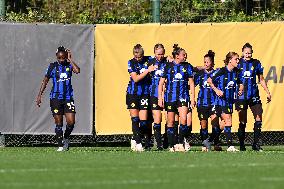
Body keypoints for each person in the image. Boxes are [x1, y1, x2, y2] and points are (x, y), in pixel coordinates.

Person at [36, 46, 80, 151]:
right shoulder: (52, 67)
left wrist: (70, 59)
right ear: (56, 57)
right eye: (59, 58)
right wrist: (39, 95)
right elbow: (45, 80)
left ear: (66, 56)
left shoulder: (69, 65)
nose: (61, 60)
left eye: (63, 58)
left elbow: (77, 71)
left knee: (71, 122)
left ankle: (66, 138)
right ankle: (60, 145)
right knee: (59, 122)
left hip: (68, 98)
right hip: (55, 98)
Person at [158, 44, 195, 152]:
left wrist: (193, 98)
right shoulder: (168, 66)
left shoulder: (188, 66)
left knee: (183, 119)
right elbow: (161, 83)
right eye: (184, 55)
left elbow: (191, 83)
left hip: (183, 97)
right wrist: (160, 98)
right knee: (170, 122)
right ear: (177, 56)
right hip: (170, 97)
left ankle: (180, 143)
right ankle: (172, 145)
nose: (185, 56)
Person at [235, 43, 272, 151]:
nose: (248, 55)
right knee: (243, 121)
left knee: (259, 118)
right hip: (242, 97)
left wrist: (268, 92)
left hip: (254, 95)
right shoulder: (238, 63)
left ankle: (256, 144)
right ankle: (242, 145)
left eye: (249, 53)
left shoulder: (256, 63)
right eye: (246, 53)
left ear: (252, 53)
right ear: (242, 53)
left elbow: (261, 79)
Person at [207, 52, 244, 152]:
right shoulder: (222, 71)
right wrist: (216, 90)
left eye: (238, 59)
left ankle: (209, 141)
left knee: (223, 124)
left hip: (229, 101)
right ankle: (230, 146)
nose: (238, 61)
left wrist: (241, 89)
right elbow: (209, 80)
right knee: (228, 121)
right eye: (236, 59)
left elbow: (241, 83)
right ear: (230, 60)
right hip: (219, 101)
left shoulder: (237, 71)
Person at [126, 44, 156, 152]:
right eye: (136, 56)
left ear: (143, 54)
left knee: (143, 122)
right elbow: (136, 79)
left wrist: (169, 57)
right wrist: (148, 70)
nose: (137, 59)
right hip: (132, 94)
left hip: (144, 94)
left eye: (139, 57)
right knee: (135, 119)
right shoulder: (131, 62)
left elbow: (160, 58)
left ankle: (135, 137)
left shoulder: (149, 59)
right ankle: (138, 143)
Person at [194, 50, 222, 151]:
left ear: (212, 63)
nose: (206, 64)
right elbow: (192, 85)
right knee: (203, 125)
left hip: (214, 102)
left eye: (208, 62)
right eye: (204, 62)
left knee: (215, 124)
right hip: (202, 103)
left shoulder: (217, 73)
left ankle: (216, 143)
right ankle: (205, 144)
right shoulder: (200, 74)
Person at [148, 44, 167, 150]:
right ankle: (158, 144)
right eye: (158, 54)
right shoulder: (150, 61)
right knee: (157, 119)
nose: (160, 56)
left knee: (169, 120)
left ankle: (167, 141)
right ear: (154, 53)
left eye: (162, 54)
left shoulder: (167, 62)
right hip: (154, 94)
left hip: (167, 95)